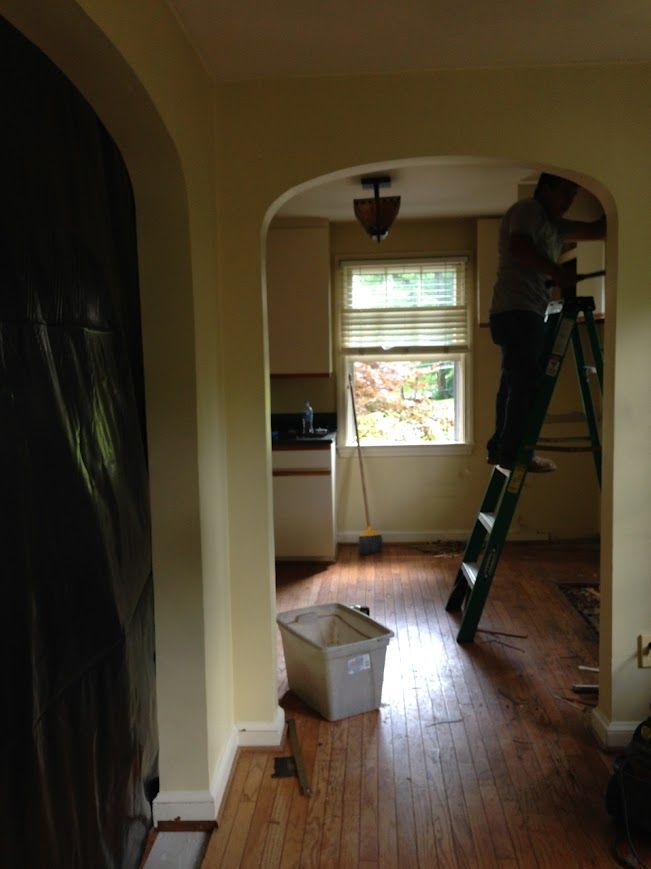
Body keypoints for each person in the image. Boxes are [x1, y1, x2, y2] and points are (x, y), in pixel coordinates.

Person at [486, 173, 606, 472]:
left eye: (574, 196)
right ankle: (513, 453)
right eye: (566, 192)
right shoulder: (529, 210)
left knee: (513, 382)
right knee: (524, 383)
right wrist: (556, 270)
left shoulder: (556, 226)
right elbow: (519, 247)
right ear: (546, 188)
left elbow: (598, 229)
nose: (569, 201)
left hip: (519, 311)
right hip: (517, 310)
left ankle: (500, 448)